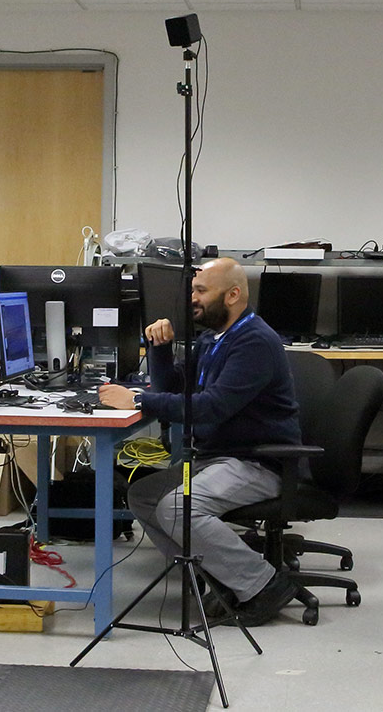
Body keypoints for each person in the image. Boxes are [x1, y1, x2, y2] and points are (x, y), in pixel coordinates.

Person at [96, 257, 304, 627]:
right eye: (193, 290)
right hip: (221, 458)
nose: (192, 298)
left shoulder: (253, 341)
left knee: (177, 508)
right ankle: (220, 579)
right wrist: (159, 348)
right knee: (142, 496)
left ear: (233, 294)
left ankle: (263, 586)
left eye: (201, 291)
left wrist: (139, 401)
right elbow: (173, 387)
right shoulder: (214, 337)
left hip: (259, 462)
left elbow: (211, 407)